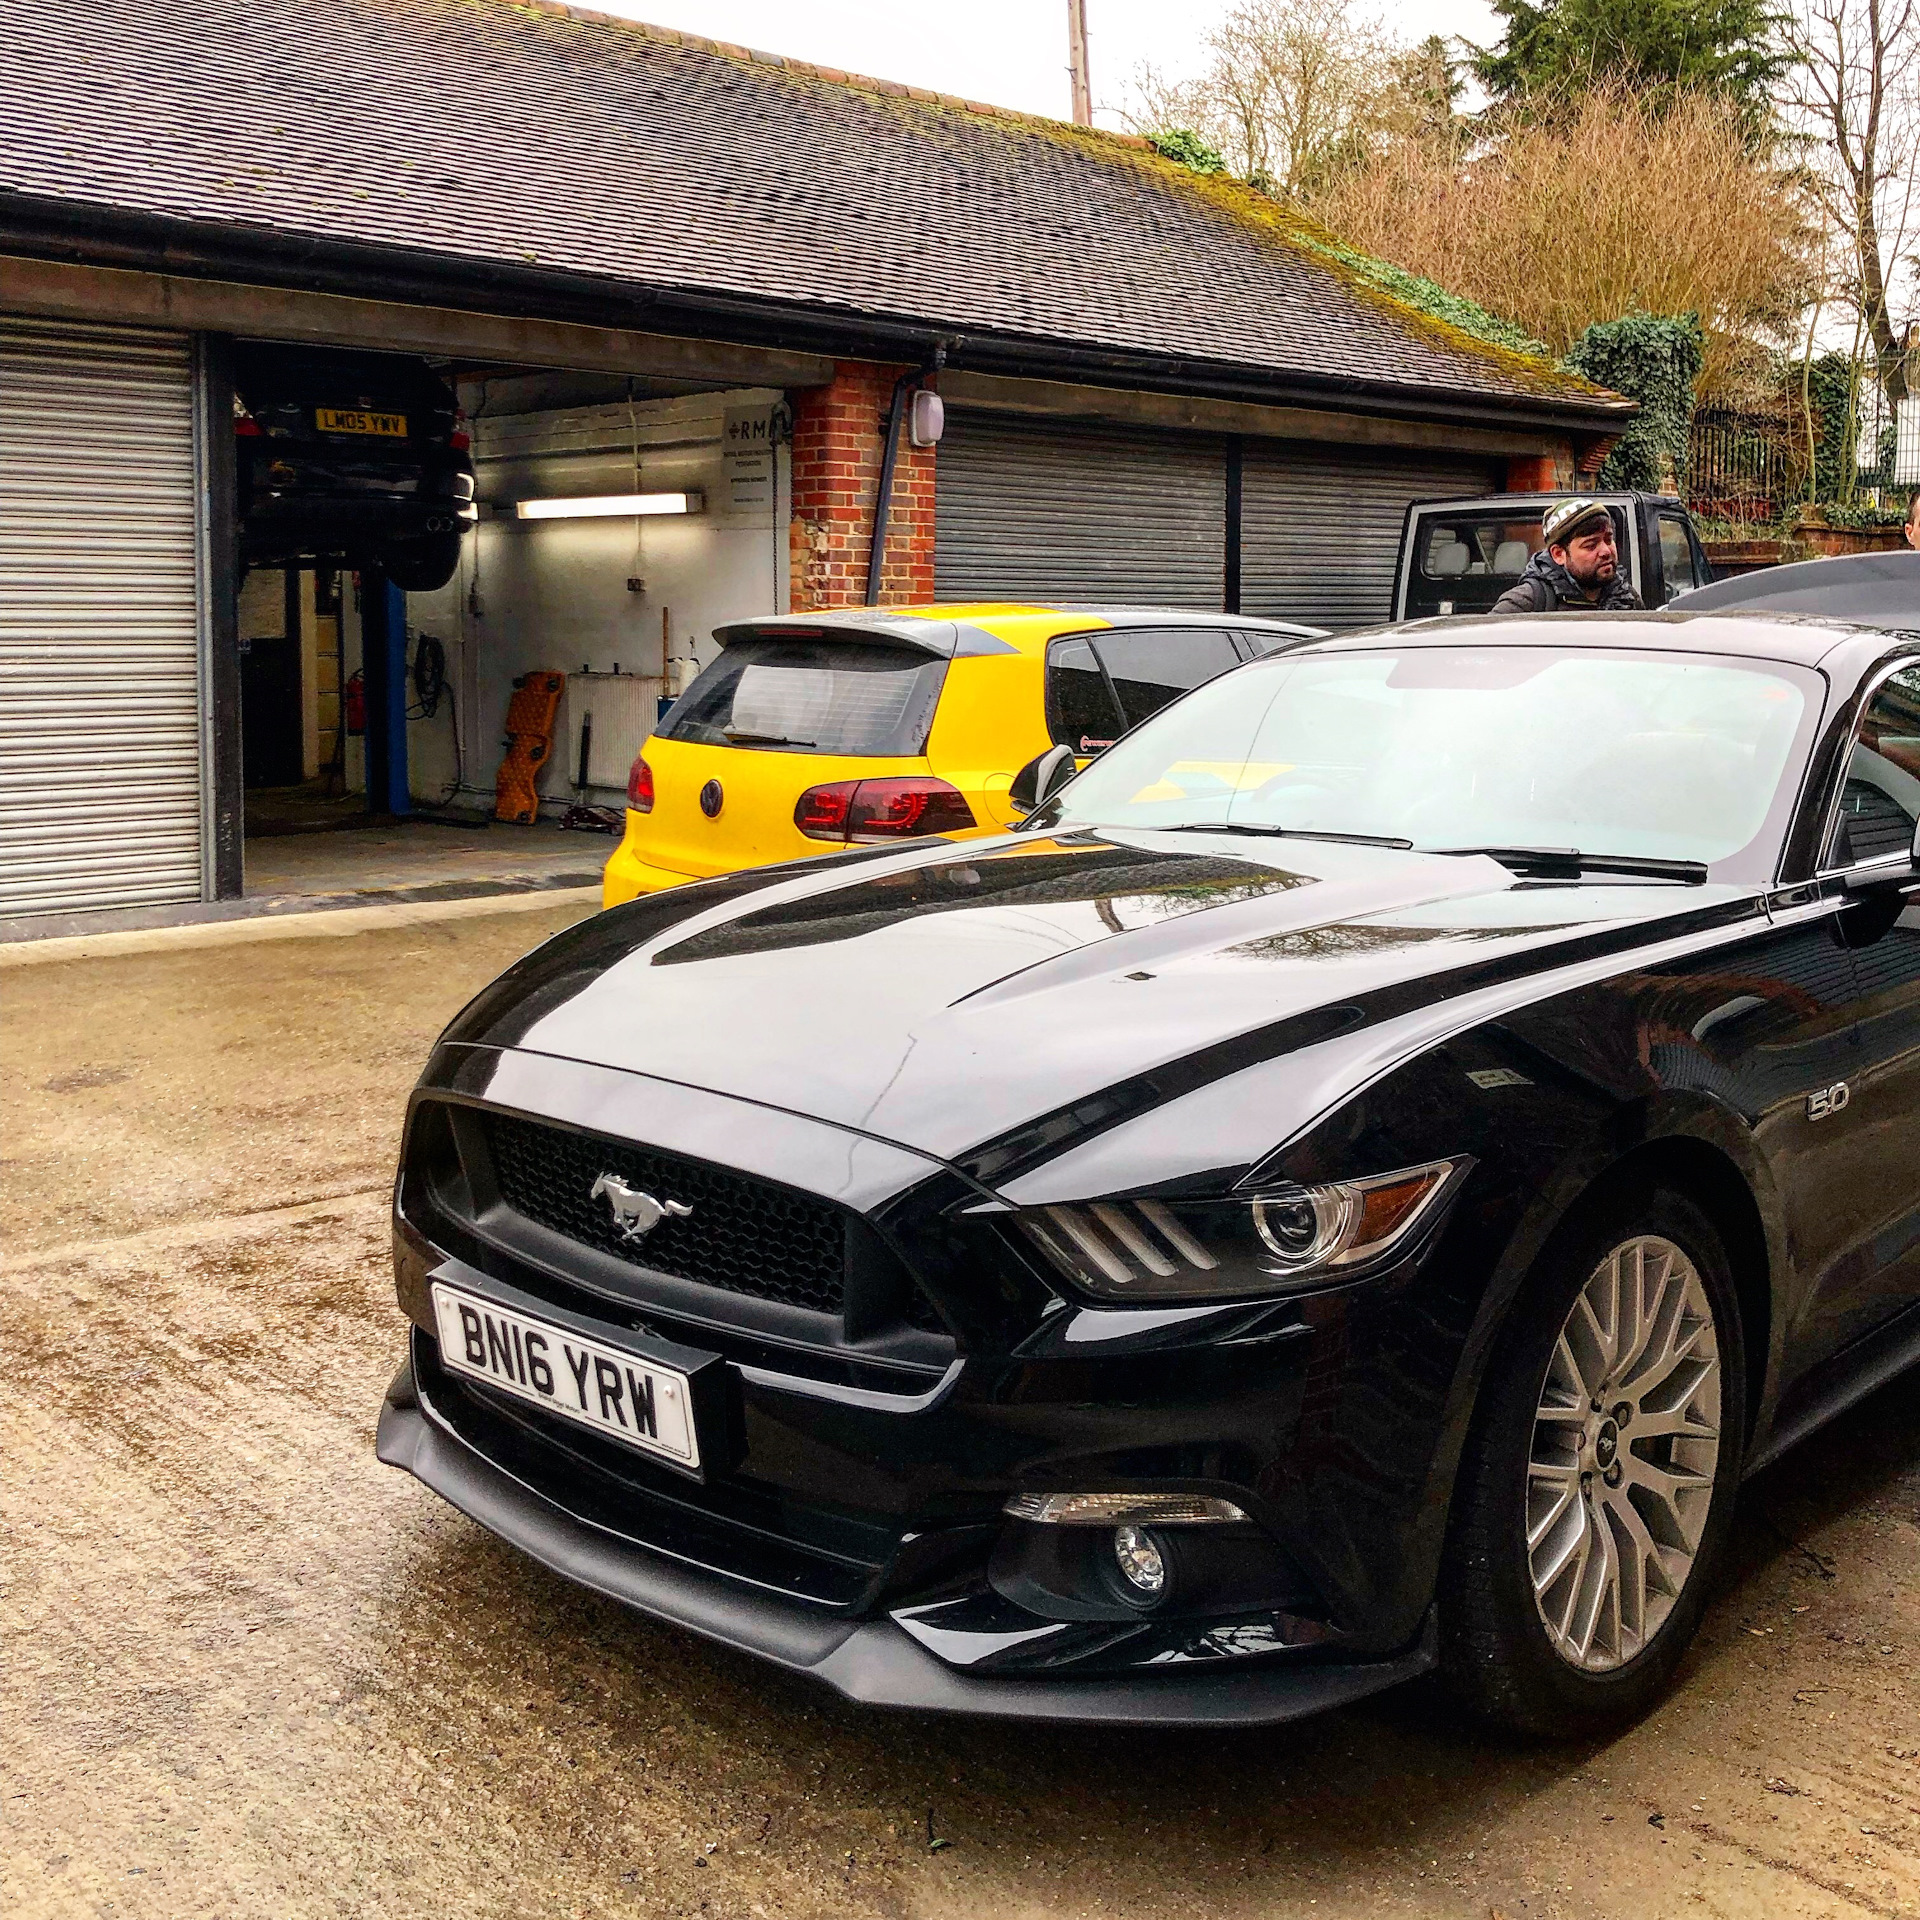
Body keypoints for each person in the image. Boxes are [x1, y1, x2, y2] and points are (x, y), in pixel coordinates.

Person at [1492, 497, 1643, 613]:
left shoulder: (1627, 598)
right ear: (1559, 554)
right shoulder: (1526, 603)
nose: (1606, 551)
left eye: (1608, 539)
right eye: (1591, 545)